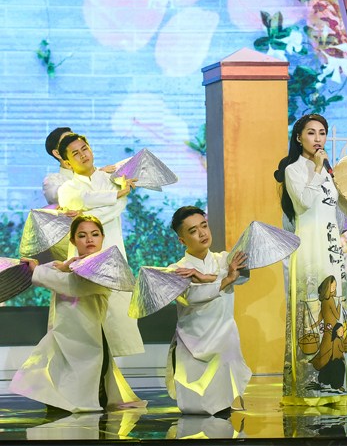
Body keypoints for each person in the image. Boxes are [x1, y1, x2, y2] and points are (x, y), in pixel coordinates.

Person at [11, 215, 147, 413]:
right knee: (56, 382)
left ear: (102, 237)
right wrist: (60, 267)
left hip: (88, 336)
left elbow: (74, 286)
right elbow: (58, 273)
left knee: (87, 386)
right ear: (73, 241)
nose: (89, 239)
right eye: (82, 235)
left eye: (95, 234)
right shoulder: (71, 265)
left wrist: (39, 271)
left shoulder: (106, 265)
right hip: (64, 333)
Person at [274, 113, 347, 405]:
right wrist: (315, 169)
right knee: (312, 309)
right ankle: (309, 388)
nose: (317, 138)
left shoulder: (328, 172)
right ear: (299, 137)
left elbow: (339, 213)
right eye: (311, 132)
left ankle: (336, 384)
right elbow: (303, 203)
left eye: (322, 133)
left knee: (335, 313)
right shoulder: (294, 170)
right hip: (309, 249)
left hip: (330, 248)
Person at [56, 133, 143, 357]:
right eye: (75, 153)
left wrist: (87, 214)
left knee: (116, 324)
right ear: (67, 162)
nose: (83, 155)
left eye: (84, 149)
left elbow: (116, 208)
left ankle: (112, 379)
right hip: (82, 262)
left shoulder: (113, 179)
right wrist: (117, 195)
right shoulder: (67, 189)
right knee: (83, 331)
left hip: (113, 256)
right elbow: (83, 202)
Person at [166, 206, 252, 416]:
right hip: (193, 344)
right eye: (193, 231)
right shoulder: (176, 270)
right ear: (182, 240)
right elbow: (192, 297)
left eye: (204, 226)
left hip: (224, 341)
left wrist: (208, 278)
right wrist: (225, 278)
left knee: (225, 409)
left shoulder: (224, 259)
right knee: (195, 412)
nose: (202, 233)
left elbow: (242, 276)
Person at [43, 127, 116, 206]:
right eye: (67, 141)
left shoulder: (102, 171)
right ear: (57, 153)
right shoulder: (52, 181)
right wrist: (97, 175)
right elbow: (72, 197)